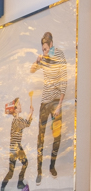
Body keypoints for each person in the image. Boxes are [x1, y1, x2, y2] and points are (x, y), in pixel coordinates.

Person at [29, 31, 68, 183]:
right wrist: (37, 60)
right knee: (41, 137)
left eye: (46, 48)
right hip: (44, 103)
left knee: (57, 136)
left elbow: (64, 81)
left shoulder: (60, 55)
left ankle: (52, 166)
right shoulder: (43, 58)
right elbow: (31, 70)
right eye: (43, 49)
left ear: (51, 44)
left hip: (56, 102)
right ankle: (39, 170)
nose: (45, 51)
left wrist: (59, 105)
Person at [0, 96, 32, 191]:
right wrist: (31, 113)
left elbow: (27, 123)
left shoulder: (18, 120)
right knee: (25, 164)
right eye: (19, 105)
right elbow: (26, 124)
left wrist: (31, 114)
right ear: (15, 109)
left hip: (14, 147)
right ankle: (19, 182)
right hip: (16, 147)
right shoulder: (16, 121)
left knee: (11, 171)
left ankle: (3, 186)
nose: (21, 106)